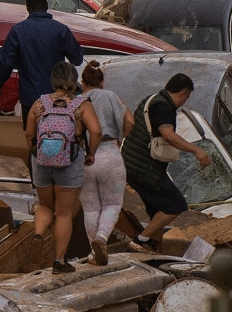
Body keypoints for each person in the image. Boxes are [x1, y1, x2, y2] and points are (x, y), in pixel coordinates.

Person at [122, 73, 211, 253]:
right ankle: (141, 240)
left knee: (157, 211)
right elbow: (168, 135)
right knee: (175, 204)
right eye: (187, 97)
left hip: (133, 166)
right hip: (144, 169)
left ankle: (155, 247)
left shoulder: (152, 99)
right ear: (183, 93)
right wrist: (196, 150)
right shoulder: (162, 107)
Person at [27, 62, 102, 273]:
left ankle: (38, 234)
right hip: (69, 161)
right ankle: (59, 261)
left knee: (45, 206)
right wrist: (91, 154)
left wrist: (35, 153)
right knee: (64, 213)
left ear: (54, 80)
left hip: (41, 161)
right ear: (73, 80)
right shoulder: (81, 105)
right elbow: (96, 132)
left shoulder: (40, 103)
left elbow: (28, 134)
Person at [0, 0, 84, 118]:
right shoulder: (61, 31)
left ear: (27, 7)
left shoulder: (18, 31)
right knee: (56, 133)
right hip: (56, 96)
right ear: (46, 6)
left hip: (30, 98)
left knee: (32, 135)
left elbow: (6, 63)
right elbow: (78, 59)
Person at [78, 60, 134, 265]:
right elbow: (130, 121)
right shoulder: (111, 96)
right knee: (112, 204)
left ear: (83, 83)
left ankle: (94, 253)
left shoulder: (79, 100)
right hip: (110, 152)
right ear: (102, 82)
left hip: (85, 157)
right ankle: (102, 238)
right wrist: (120, 137)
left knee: (91, 208)